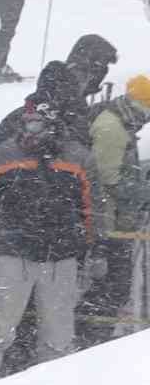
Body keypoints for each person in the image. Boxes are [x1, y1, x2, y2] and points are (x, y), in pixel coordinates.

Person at [0, 102, 103, 384]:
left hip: (61, 256)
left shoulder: (78, 158)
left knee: (58, 327)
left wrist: (94, 248)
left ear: (53, 124)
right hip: (15, 252)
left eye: (37, 122)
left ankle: (54, 381)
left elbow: (91, 207)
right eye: (26, 122)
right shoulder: (7, 154)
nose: (29, 129)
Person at [74, 77, 150, 344]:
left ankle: (92, 332)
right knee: (111, 282)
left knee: (111, 281)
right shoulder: (112, 128)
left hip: (110, 216)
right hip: (105, 219)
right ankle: (91, 337)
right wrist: (143, 191)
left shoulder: (122, 123)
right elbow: (107, 179)